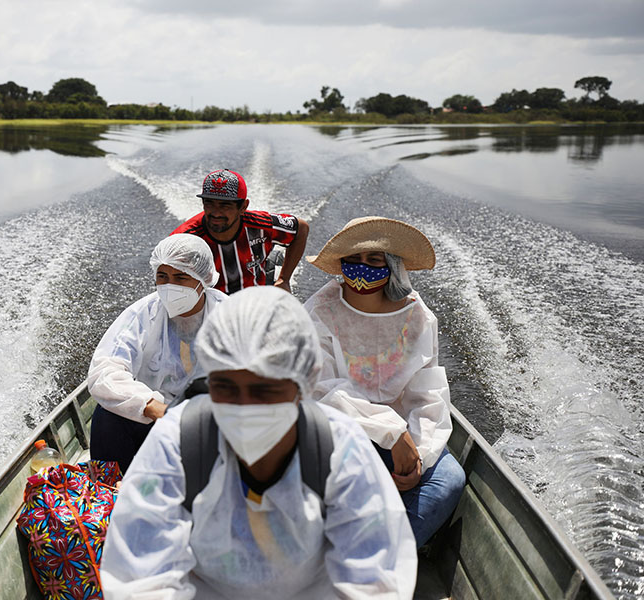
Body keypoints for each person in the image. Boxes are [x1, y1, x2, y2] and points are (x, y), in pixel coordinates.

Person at [101, 286, 417, 599]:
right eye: (226, 388)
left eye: (265, 391)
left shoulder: (339, 448)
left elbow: (374, 579)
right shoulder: (179, 440)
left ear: (304, 385)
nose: (244, 409)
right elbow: (140, 576)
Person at [303, 216, 466, 548]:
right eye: (354, 259)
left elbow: (428, 393)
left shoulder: (417, 317)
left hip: (400, 441)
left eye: (374, 259)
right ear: (342, 264)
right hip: (337, 435)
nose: (362, 268)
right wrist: (391, 432)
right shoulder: (320, 312)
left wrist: (417, 456)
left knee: (448, 481)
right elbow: (322, 390)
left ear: (392, 265)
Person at [87, 234, 227, 474]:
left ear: (203, 279)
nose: (170, 286)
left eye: (181, 277)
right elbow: (105, 371)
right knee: (107, 413)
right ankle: (110, 485)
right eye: (163, 277)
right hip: (152, 418)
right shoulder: (143, 313)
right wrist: (152, 407)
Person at [172, 169, 309, 294]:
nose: (216, 213)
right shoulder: (185, 239)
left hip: (255, 301)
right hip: (209, 308)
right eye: (209, 203)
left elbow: (301, 228)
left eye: (225, 205)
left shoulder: (262, 225)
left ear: (243, 207)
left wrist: (284, 280)